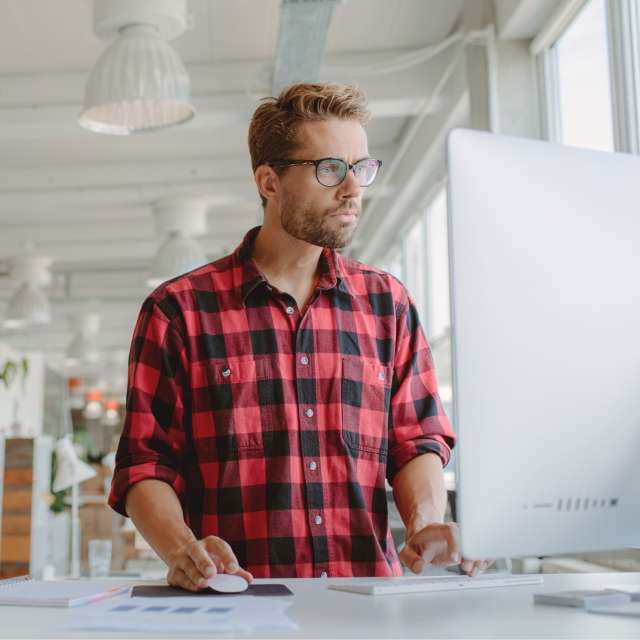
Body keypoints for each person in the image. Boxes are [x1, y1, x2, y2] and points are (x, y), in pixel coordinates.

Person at [109, 82, 491, 591]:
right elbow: (145, 463)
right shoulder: (179, 310)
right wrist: (184, 550)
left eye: (361, 168)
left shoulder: (388, 304)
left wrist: (423, 523)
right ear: (269, 181)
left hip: (365, 608)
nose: (352, 189)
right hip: (236, 607)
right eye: (330, 169)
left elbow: (416, 438)